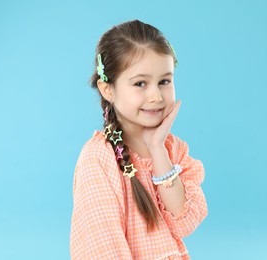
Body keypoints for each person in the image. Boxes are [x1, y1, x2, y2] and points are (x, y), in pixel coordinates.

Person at [70, 19, 208, 259]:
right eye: (140, 83)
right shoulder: (99, 158)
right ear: (107, 89)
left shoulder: (172, 150)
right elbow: (102, 249)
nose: (155, 96)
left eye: (164, 81)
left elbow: (185, 222)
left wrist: (157, 149)